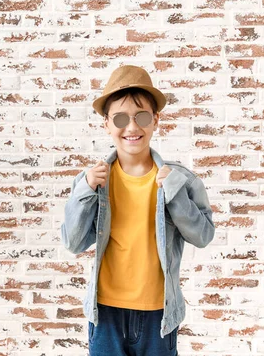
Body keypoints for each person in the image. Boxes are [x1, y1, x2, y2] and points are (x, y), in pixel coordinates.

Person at [61, 65, 215, 356]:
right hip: (105, 312)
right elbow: (73, 241)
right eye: (120, 118)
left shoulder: (180, 180)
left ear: (155, 120)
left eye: (141, 117)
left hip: (159, 313)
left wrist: (175, 194)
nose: (131, 127)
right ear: (106, 123)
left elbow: (203, 235)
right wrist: (85, 192)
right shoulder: (93, 181)